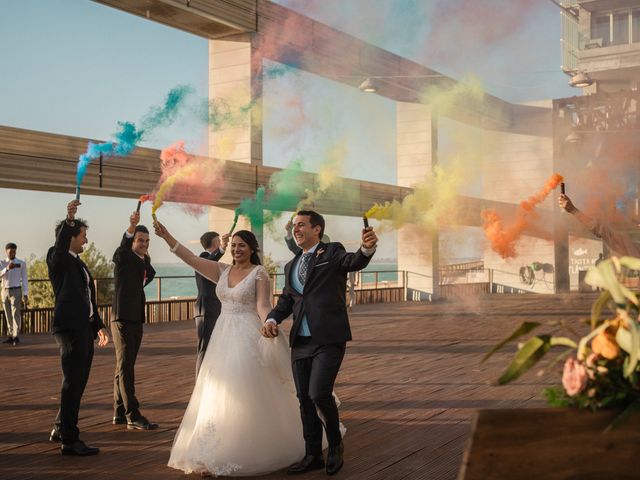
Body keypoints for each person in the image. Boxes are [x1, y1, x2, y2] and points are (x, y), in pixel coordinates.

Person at [154, 222, 309, 476]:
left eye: (242, 246)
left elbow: (262, 304)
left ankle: (242, 450)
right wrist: (166, 235)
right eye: (234, 245)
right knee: (216, 390)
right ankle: (213, 453)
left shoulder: (259, 273)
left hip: (247, 336)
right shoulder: (221, 270)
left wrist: (268, 323)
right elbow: (190, 258)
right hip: (222, 337)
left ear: (251, 249)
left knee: (243, 387)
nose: (236, 249)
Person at [262, 210, 378, 476]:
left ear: (317, 229)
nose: (296, 229)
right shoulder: (291, 266)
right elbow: (287, 302)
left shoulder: (333, 252)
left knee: (318, 394)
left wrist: (366, 248)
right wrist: (272, 319)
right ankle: (312, 453)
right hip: (300, 341)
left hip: (328, 338)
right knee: (304, 399)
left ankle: (335, 445)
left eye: (301, 225)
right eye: (294, 226)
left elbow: (354, 261)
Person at [47, 200, 109, 456]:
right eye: (82, 236)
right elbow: (60, 249)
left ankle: (61, 427)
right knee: (72, 382)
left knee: (79, 381)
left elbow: (88, 298)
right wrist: (69, 219)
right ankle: (70, 440)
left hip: (84, 328)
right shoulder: (57, 256)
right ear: (70, 237)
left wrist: (98, 326)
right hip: (70, 328)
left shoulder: (79, 264)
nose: (86, 241)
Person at [111, 210, 157, 430]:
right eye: (140, 240)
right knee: (126, 366)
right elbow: (121, 249)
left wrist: (145, 257)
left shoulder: (141, 261)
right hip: (122, 318)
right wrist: (131, 228)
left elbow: (148, 274)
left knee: (124, 365)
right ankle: (132, 414)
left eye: (147, 241)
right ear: (132, 240)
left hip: (135, 316)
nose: (144, 244)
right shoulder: (124, 257)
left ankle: (119, 412)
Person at [559, 193, 640, 257]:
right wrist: (573, 210)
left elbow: (600, 229)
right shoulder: (631, 246)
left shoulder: (633, 248)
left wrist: (573, 210)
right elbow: (600, 229)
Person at [194, 230, 229, 376]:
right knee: (204, 346)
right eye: (218, 241)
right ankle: (199, 381)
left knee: (213, 346)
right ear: (214, 242)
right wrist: (222, 248)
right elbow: (211, 260)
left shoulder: (213, 262)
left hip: (215, 308)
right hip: (206, 308)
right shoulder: (203, 258)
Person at [1, 242, 28, 345]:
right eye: (10, 251)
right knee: (7, 314)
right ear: (6, 251)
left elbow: (25, 278)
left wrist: (25, 293)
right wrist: (7, 269)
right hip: (4, 290)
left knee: (15, 313)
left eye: (13, 251)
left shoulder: (21, 263)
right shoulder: (2, 263)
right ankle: (11, 334)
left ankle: (16, 336)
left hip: (16, 290)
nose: (12, 253)